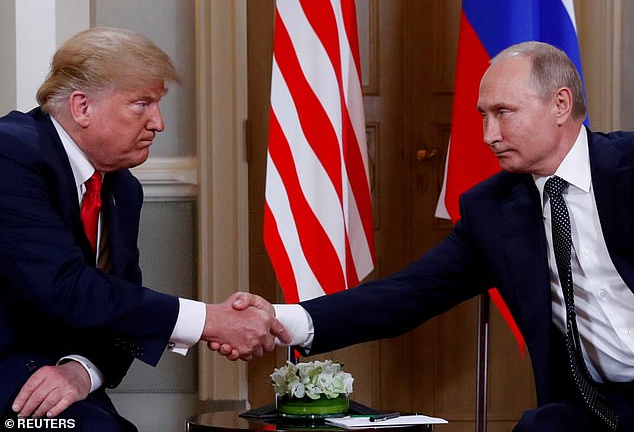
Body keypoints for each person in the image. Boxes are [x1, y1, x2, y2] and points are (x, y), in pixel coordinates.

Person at [219, 41, 634, 432]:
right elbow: (409, 294)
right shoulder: (492, 210)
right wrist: (284, 318)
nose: (488, 135)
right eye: (483, 115)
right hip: (593, 407)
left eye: (503, 112)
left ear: (560, 104)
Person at [0, 26, 290, 431]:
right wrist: (209, 320)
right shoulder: (10, 154)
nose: (159, 123)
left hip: (62, 386)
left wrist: (82, 371)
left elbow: (121, 305)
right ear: (82, 107)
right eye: (142, 104)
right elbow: (67, 288)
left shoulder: (122, 189)